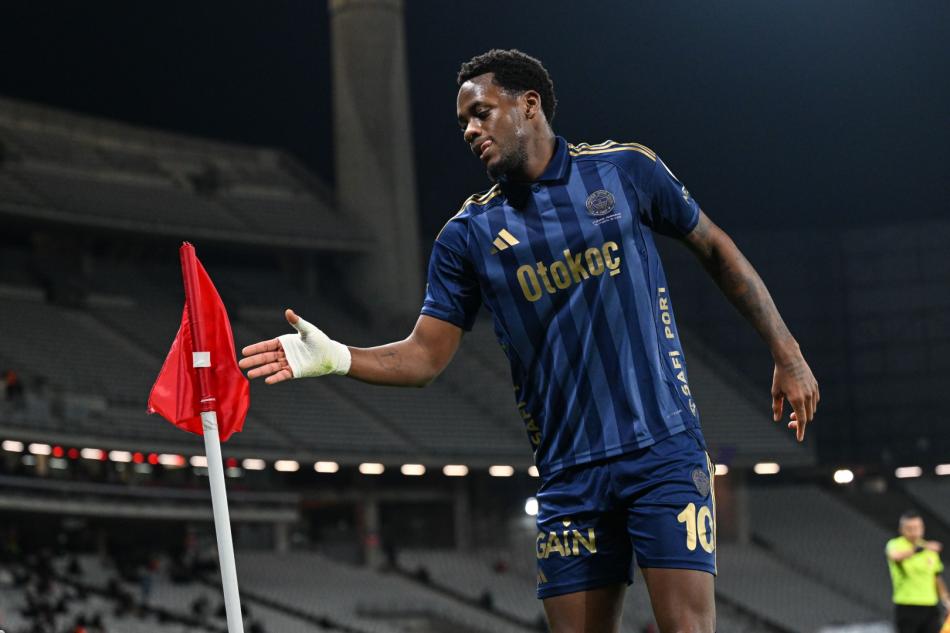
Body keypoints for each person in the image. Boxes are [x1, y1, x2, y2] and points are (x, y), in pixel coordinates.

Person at [239, 48, 819, 633]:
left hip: (662, 449)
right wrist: (339, 356)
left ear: (529, 105)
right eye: (463, 122)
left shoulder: (625, 170)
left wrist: (787, 353)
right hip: (568, 476)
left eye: (482, 113)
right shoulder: (467, 236)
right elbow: (424, 356)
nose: (470, 131)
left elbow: (715, 247)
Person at [886, 511, 950, 633]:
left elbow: (936, 577)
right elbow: (895, 557)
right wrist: (920, 548)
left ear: (922, 528)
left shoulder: (929, 550)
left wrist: (946, 600)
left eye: (917, 528)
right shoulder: (896, 545)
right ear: (901, 530)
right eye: (909, 528)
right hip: (907, 606)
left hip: (930, 606)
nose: (914, 532)